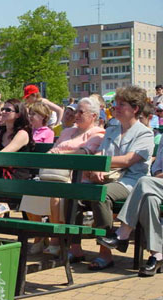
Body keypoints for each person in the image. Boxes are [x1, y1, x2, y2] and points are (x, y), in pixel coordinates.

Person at [70, 86, 154, 270]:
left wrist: (102, 165)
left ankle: (105, 253)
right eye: (116, 103)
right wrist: (97, 167)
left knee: (102, 195)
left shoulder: (144, 133)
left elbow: (127, 160)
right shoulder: (113, 128)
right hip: (109, 176)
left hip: (132, 181)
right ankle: (75, 248)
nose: (115, 107)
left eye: (121, 104)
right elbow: (102, 152)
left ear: (135, 109)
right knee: (74, 194)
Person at [41, 97, 105, 256]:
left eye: (81, 112)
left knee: (56, 196)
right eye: (76, 111)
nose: (76, 114)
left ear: (93, 116)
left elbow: (85, 152)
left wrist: (60, 154)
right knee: (29, 193)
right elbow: (53, 149)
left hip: (76, 178)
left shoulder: (97, 133)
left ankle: (56, 239)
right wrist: (54, 153)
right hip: (54, 175)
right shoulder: (67, 131)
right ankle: (40, 236)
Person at [0, 99, 34, 216]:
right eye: (3, 109)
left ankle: (3, 202)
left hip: (17, 174)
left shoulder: (22, 133)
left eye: (8, 110)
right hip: (0, 169)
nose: (3, 112)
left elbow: (3, 155)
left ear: (18, 114)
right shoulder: (0, 133)